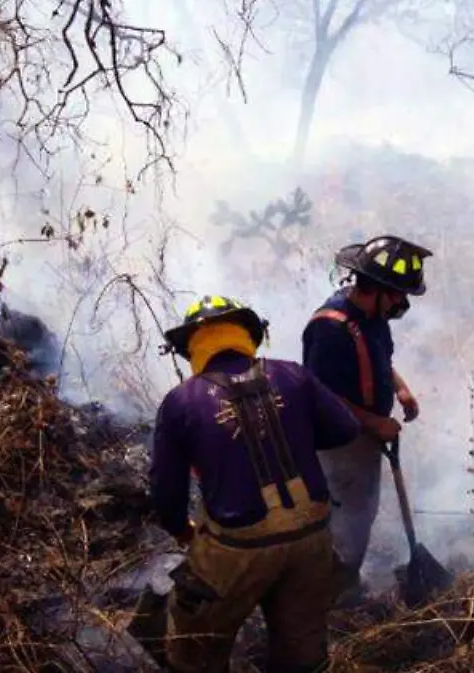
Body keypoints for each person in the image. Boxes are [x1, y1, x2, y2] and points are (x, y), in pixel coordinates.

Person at [150, 295, 359, 673]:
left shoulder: (181, 401)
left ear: (192, 347)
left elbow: (166, 493)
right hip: (312, 539)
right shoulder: (294, 375)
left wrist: (182, 531)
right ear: (249, 334)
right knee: (303, 653)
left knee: (193, 649)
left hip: (236, 548)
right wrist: (298, 437)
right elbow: (345, 428)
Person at [301, 235, 433, 602]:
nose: (402, 303)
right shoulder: (330, 329)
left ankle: (341, 581)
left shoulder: (373, 317)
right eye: (397, 294)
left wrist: (400, 388)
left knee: (363, 508)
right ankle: (334, 598)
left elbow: (380, 359)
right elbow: (321, 395)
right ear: (374, 288)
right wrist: (375, 423)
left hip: (365, 435)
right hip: (340, 442)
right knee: (349, 519)